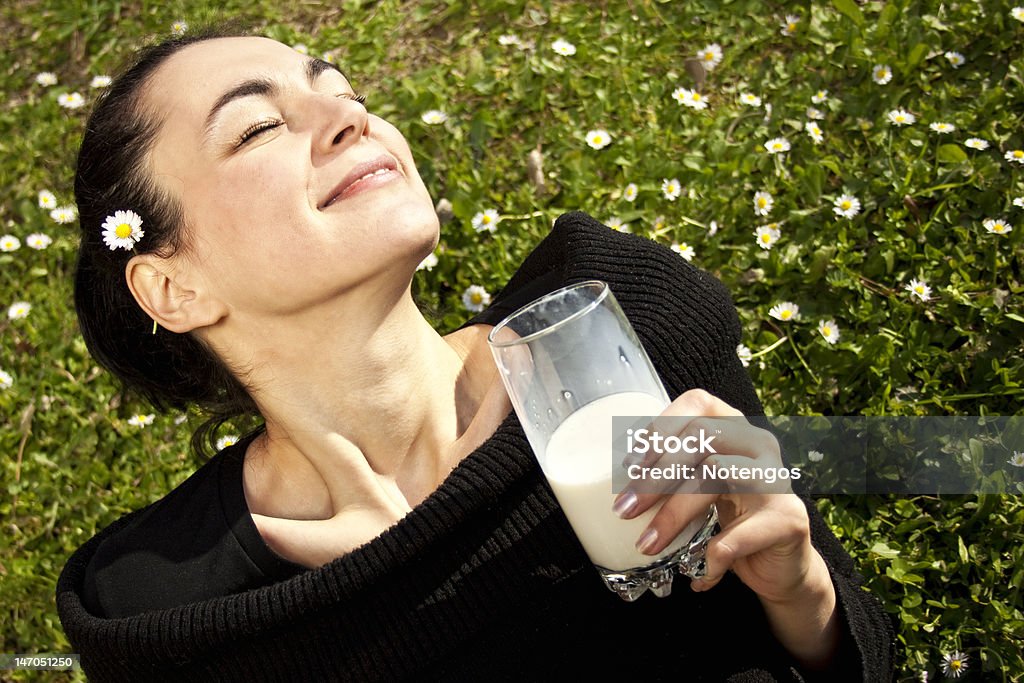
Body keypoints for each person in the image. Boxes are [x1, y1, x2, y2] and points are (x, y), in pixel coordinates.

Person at [56, 31, 895, 682]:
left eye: (342, 90)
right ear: (172, 286)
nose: (352, 117)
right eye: (260, 126)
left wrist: (804, 594)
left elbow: (856, 657)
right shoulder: (158, 607)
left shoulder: (619, 323)